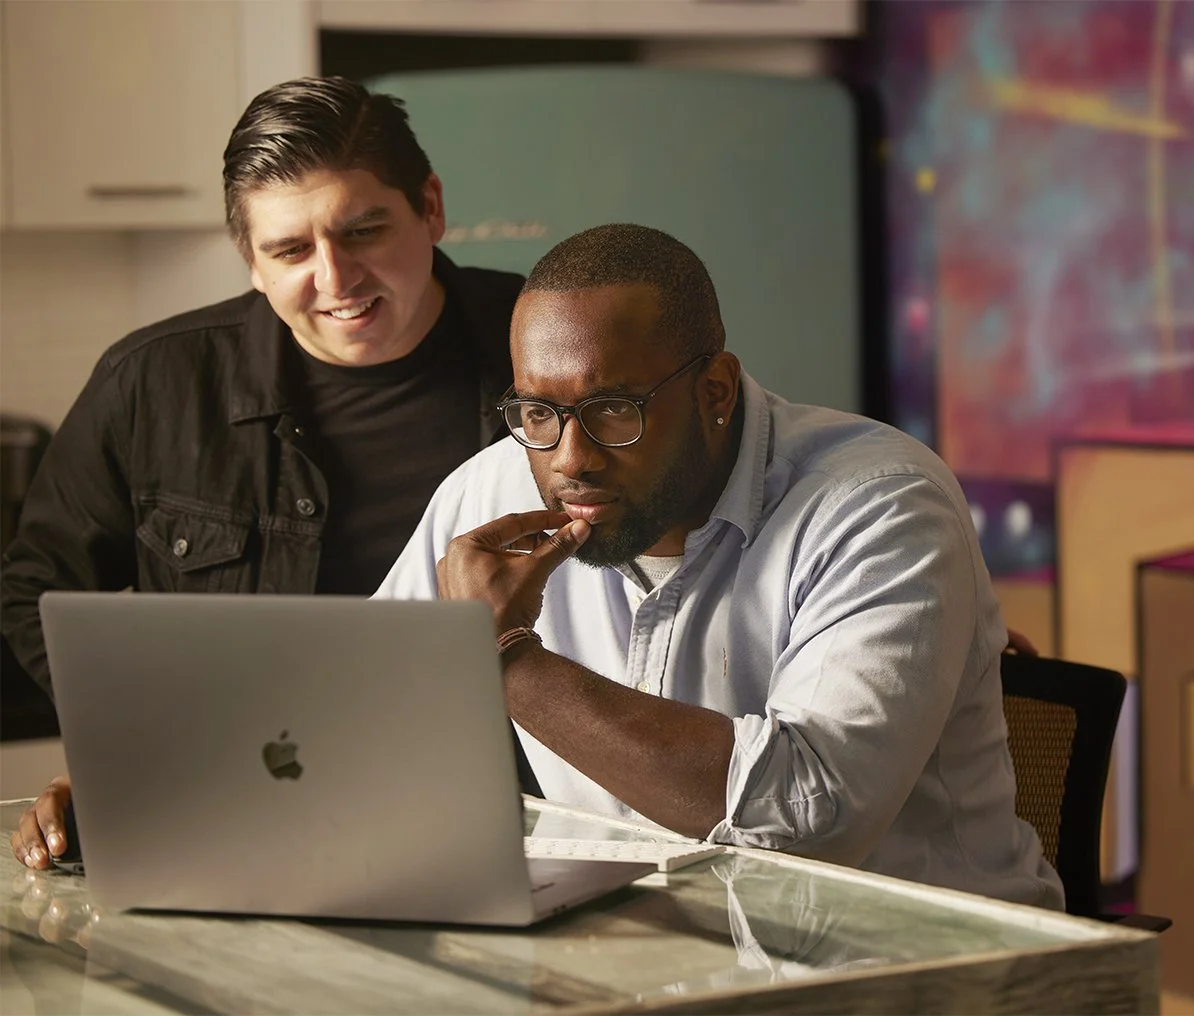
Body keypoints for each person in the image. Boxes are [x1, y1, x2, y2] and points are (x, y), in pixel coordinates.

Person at [382, 224, 1063, 907]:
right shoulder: (493, 491)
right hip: (644, 957)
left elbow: (808, 826)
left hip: (918, 969)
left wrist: (507, 660)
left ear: (715, 390)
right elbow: (360, 707)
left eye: (614, 409)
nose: (569, 458)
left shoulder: (881, 502)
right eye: (537, 412)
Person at [7, 76, 527, 870]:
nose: (335, 278)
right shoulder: (153, 381)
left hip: (521, 818)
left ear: (430, 205)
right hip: (243, 813)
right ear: (250, 260)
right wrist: (133, 746)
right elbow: (34, 585)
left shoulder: (549, 354)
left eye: (363, 231)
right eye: (290, 249)